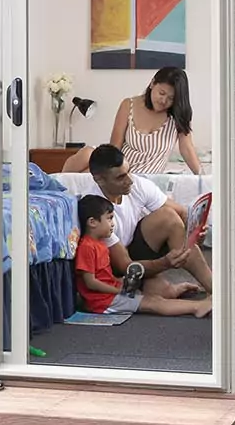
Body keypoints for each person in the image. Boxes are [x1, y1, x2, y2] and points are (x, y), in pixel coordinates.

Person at [61, 143, 213, 295]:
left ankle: (214, 289)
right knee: (163, 293)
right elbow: (124, 265)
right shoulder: (95, 209)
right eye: (120, 177)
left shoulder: (137, 184)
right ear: (99, 180)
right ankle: (173, 289)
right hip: (116, 264)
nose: (129, 180)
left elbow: (182, 213)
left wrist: (194, 232)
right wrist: (165, 263)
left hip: (134, 247)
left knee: (169, 217)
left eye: (129, 171)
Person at [74, 194, 211, 318]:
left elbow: (104, 276)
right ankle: (197, 307)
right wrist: (116, 290)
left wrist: (121, 283)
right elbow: (90, 282)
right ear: (92, 222)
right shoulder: (87, 247)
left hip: (110, 292)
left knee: (153, 296)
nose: (112, 224)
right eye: (109, 219)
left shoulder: (99, 244)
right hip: (103, 302)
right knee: (154, 303)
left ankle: (184, 294)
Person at [63, 67, 203, 176]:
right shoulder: (128, 105)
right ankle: (59, 190)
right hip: (119, 172)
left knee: (86, 176)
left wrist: (204, 178)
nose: (163, 100)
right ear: (152, 83)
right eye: (161, 93)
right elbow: (114, 148)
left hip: (144, 180)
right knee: (86, 154)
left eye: (171, 98)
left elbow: (187, 148)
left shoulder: (178, 116)